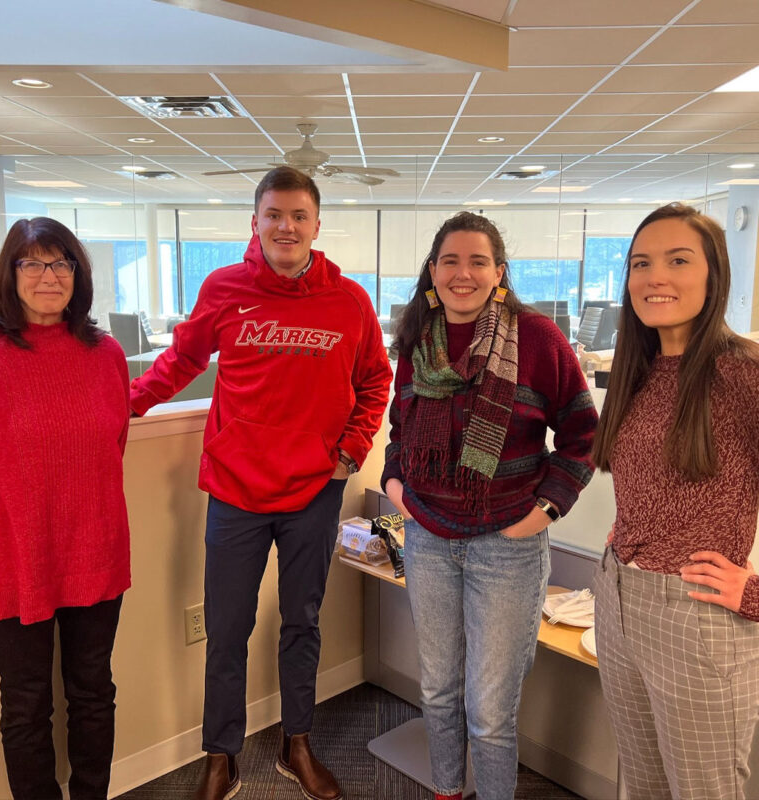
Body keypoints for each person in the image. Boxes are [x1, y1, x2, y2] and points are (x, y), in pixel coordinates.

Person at [130, 166, 392, 800]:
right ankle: (221, 754)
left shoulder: (349, 300)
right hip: (235, 490)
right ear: (256, 222)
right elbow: (181, 361)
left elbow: (375, 381)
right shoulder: (225, 288)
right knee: (227, 629)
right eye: (274, 214)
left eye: (299, 216)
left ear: (316, 226)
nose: (287, 226)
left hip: (314, 491)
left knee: (302, 622)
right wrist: (122, 404)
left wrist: (351, 451)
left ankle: (295, 744)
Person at [381, 211, 597, 800]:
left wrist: (545, 510)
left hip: (507, 548)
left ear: (499, 272)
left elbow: (583, 436)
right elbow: (400, 429)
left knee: (491, 713)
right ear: (432, 270)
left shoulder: (537, 339)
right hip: (427, 539)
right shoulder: (417, 341)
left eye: (478, 261)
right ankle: (447, 791)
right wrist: (395, 483)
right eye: (450, 260)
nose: (463, 273)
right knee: (439, 693)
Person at [0, 217, 131, 800]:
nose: (48, 276)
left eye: (61, 263)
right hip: (11, 561)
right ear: (10, 274)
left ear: (78, 275)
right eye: (31, 263)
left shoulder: (105, 353)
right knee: (26, 706)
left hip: (96, 554)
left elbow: (110, 452)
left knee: (92, 695)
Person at [592, 203, 759, 800]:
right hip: (618, 599)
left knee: (704, 791)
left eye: (678, 260)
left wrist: (755, 593)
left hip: (696, 615)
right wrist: (633, 527)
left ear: (714, 276)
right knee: (641, 785)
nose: (654, 277)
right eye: (641, 263)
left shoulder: (744, 374)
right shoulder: (636, 369)